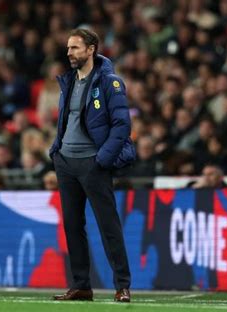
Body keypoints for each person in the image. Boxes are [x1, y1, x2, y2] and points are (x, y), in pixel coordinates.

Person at [49, 28, 135, 302]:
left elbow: (122, 125)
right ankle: (81, 285)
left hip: (93, 163)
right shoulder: (69, 81)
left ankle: (122, 285)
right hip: (66, 163)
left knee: (108, 225)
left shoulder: (110, 82)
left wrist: (102, 160)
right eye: (68, 48)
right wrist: (56, 150)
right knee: (73, 226)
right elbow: (66, 120)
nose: (69, 53)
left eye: (74, 48)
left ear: (91, 49)